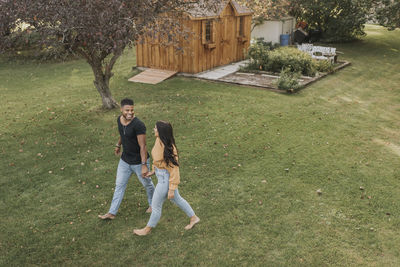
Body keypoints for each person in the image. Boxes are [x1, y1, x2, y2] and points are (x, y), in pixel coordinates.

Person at [133, 121, 200, 235]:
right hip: (161, 176)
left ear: (161, 132)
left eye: (155, 128)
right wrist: (153, 171)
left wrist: (171, 188)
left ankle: (147, 229)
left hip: (165, 180)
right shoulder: (159, 140)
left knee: (155, 206)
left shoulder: (169, 148)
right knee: (177, 199)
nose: (153, 129)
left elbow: (174, 170)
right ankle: (194, 218)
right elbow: (158, 161)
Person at [98, 98, 155, 220]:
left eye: (132, 110)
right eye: (127, 110)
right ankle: (112, 213)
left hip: (139, 162)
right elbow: (122, 133)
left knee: (147, 184)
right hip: (125, 160)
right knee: (119, 185)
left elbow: (143, 146)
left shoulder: (138, 125)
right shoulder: (119, 119)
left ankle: (153, 204)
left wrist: (144, 164)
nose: (130, 113)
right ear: (121, 110)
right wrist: (118, 145)